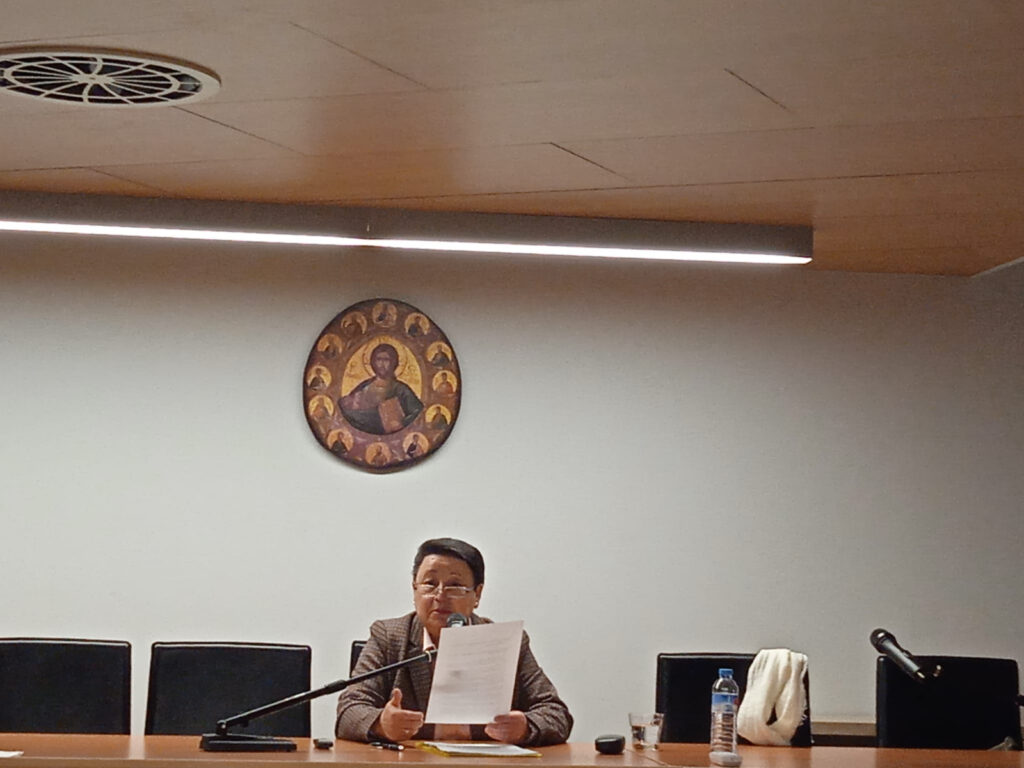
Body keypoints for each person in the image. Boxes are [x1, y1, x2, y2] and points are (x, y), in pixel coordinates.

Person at [335, 538, 572, 746]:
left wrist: (525, 728)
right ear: (414, 589)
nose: (440, 595)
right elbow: (349, 710)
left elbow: (556, 714)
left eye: (455, 585)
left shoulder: (506, 643)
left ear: (477, 594)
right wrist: (382, 724)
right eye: (430, 583)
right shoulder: (389, 637)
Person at [339, 343, 423, 434]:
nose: (382, 364)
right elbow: (348, 410)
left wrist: (401, 423)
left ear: (394, 362)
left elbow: (417, 412)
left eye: (386, 360)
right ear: (373, 362)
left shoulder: (402, 390)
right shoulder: (364, 386)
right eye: (379, 359)